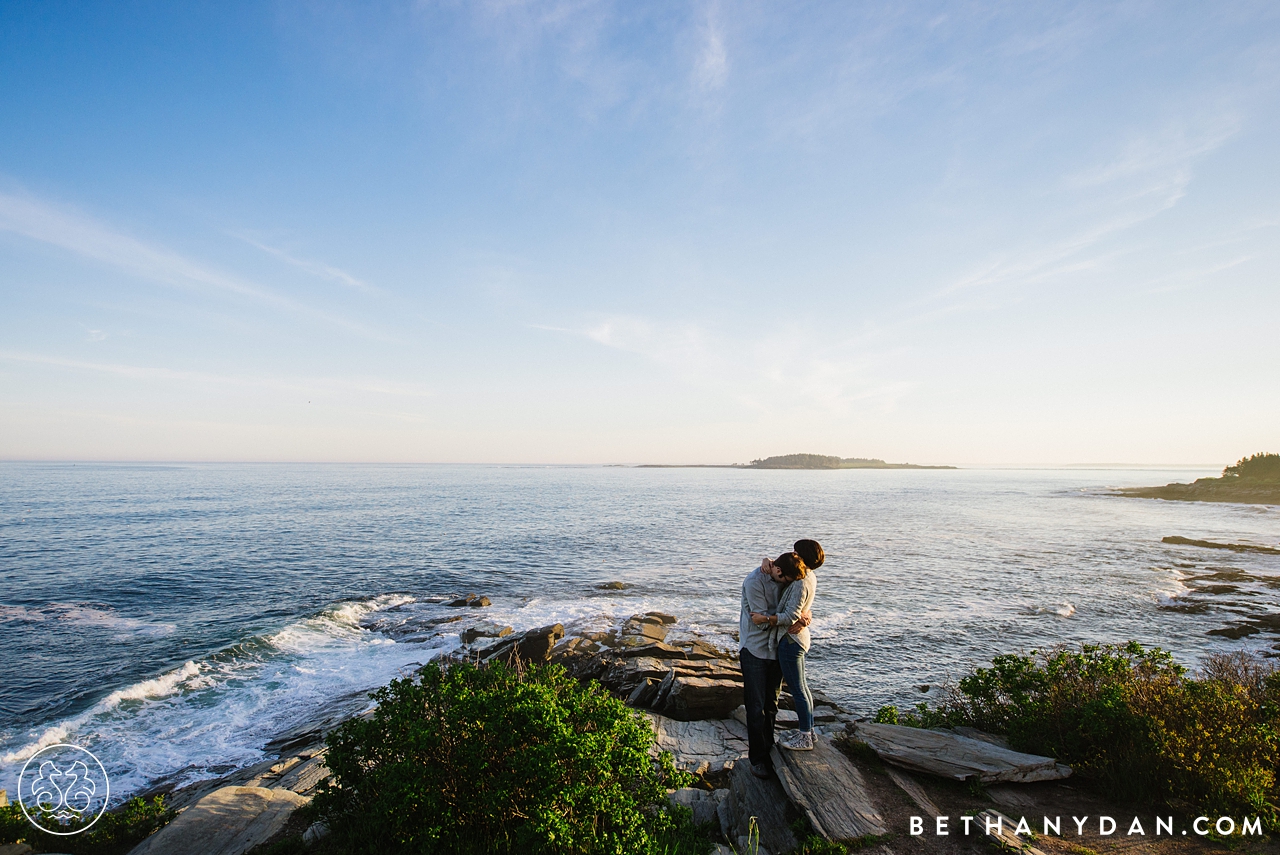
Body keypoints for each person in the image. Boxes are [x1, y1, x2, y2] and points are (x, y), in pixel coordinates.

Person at [739, 550, 810, 778]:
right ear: (778, 571)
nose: (787, 584)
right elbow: (759, 622)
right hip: (755, 650)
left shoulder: (785, 571)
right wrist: (790, 618)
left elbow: (795, 602)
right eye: (785, 581)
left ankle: (768, 750)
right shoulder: (754, 582)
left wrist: (804, 613)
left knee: (772, 704)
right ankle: (757, 759)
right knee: (756, 706)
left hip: (776, 648)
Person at [770, 539, 824, 751]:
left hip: (791, 641)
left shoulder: (801, 582)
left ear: (802, 556)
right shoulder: (809, 576)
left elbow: (791, 615)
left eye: (795, 552)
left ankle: (804, 737)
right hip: (798, 640)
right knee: (803, 688)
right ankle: (809, 731)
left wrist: (766, 619)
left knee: (798, 690)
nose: (793, 554)